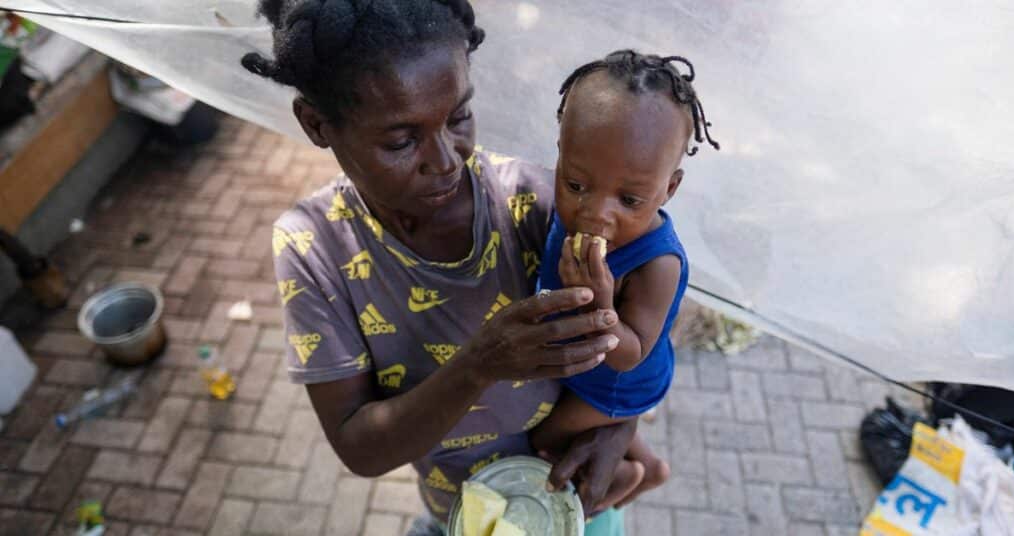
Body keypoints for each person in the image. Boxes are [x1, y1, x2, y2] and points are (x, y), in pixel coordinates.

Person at [241, 1, 658, 533]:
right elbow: (360, 448)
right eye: (401, 140)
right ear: (316, 123)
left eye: (459, 116)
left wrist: (621, 424)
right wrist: (479, 364)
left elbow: (637, 332)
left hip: (571, 502)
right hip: (458, 515)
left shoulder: (534, 205)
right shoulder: (315, 248)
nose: (446, 159)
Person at [530, 50, 720, 508]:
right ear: (561, 156)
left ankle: (621, 486)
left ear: (669, 188)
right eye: (577, 185)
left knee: (546, 437)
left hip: (617, 383)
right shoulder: (565, 205)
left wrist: (599, 304)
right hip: (585, 367)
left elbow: (630, 352)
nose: (596, 214)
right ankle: (651, 467)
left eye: (630, 199)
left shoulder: (658, 263)